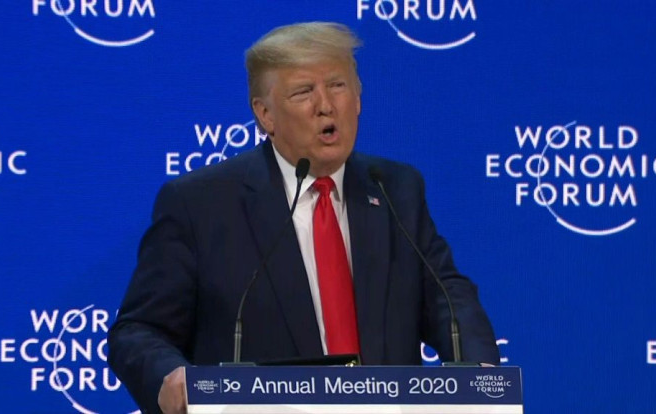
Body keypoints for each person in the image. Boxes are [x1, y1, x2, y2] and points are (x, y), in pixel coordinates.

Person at [108, 21, 500, 414]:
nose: (326, 105)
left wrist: (479, 373)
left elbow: (448, 298)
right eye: (303, 92)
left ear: (359, 98)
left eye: (338, 85)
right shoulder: (200, 204)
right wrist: (169, 375)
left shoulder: (396, 189)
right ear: (265, 116)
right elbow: (139, 331)